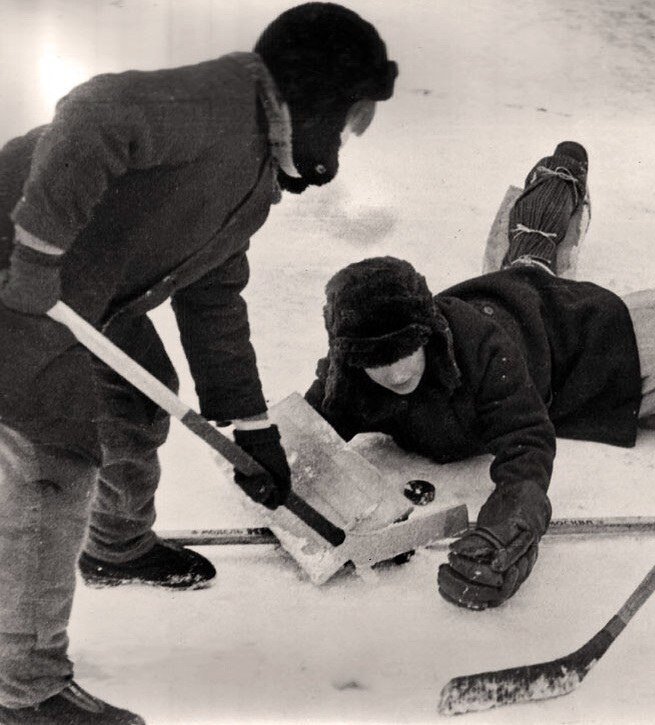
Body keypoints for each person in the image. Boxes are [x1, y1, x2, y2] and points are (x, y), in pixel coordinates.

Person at [0, 3, 396, 722]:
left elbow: (213, 301)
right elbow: (91, 114)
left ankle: (115, 544)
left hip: (81, 294)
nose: (345, 137)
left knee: (138, 399)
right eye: (349, 116)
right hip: (19, 283)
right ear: (314, 97)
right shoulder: (217, 101)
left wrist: (251, 430)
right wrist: (36, 254)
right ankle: (24, 689)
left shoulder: (251, 177)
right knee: (53, 464)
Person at [305, 142, 655, 612]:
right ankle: (556, 183)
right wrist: (266, 459)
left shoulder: (482, 354)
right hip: (499, 295)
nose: (394, 373)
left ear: (430, 334)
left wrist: (507, 531)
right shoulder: (348, 377)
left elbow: (526, 445)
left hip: (565, 338)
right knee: (526, 266)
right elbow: (303, 438)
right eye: (377, 361)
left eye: (406, 352)